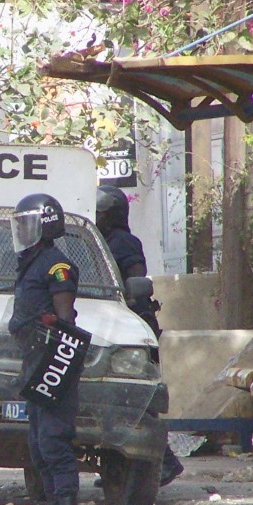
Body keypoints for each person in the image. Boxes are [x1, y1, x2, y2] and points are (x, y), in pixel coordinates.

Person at [95, 185, 184, 487]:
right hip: (113, 323)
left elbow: (136, 279)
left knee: (139, 397)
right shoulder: (99, 241)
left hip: (134, 323)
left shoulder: (125, 242)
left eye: (101, 213)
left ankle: (166, 463)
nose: (97, 217)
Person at [10, 193, 83, 505]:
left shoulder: (56, 265)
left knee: (54, 441)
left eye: (28, 225)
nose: (22, 232)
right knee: (38, 444)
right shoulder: (31, 262)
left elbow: (64, 319)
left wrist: (53, 345)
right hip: (34, 363)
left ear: (45, 227)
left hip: (54, 365)